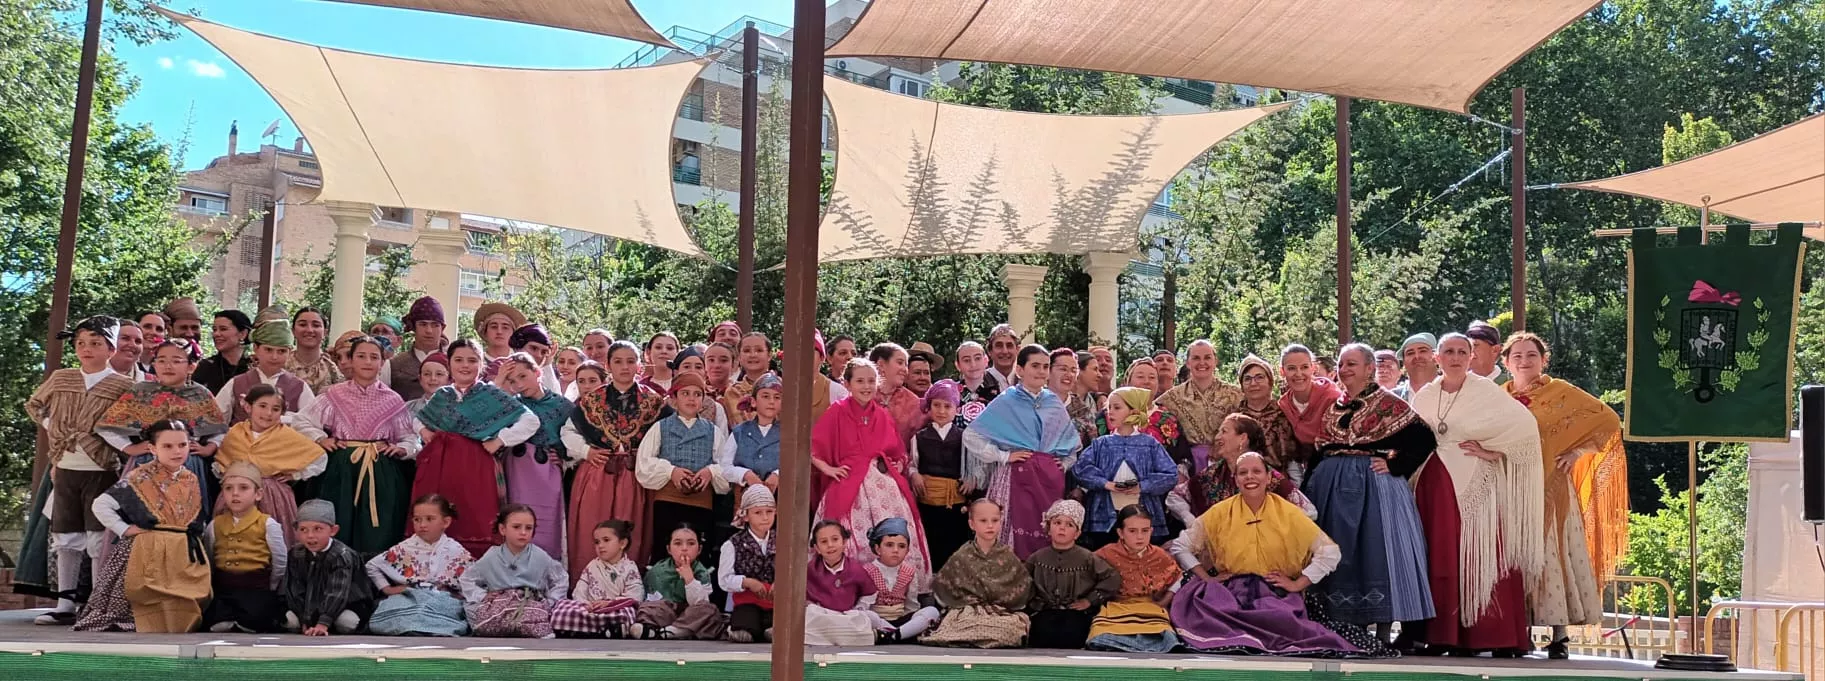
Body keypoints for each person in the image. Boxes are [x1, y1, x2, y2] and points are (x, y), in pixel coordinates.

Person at [1410, 333, 1543, 657]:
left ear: (1471, 357)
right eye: (1448, 352)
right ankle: (1443, 636)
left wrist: (1493, 451)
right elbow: (1412, 438)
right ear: (1437, 359)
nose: (1455, 357)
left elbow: (1524, 427)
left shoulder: (1485, 392)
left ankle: (1494, 637)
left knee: (1484, 556)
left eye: (1462, 352)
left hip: (1477, 486)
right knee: (1440, 560)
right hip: (1434, 486)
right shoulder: (1424, 396)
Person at [1170, 453, 1370, 656]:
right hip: (1230, 591)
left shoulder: (1289, 513)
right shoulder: (1219, 512)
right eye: (1243, 473)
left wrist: (1297, 584)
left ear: (1268, 478)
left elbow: (1330, 552)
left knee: (1279, 621)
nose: (1250, 477)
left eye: (1256, 471)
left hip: (1275, 592)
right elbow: (1181, 546)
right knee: (1208, 618)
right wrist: (1207, 578)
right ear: (1235, 479)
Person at [1502, 331, 1626, 659]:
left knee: (1553, 557)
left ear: (1544, 360)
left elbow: (1608, 419)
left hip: (1552, 490)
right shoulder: (1498, 397)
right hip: (1512, 492)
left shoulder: (1561, 394)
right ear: (1506, 362)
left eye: (1531, 355)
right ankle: (1520, 632)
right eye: (1517, 356)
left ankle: (1559, 636)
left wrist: (1577, 452)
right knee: (1516, 558)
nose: (1524, 361)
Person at [1307, 343, 1436, 638]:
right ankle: (1344, 623)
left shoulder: (1389, 403)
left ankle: (1382, 625)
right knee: (1339, 550)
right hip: (1331, 490)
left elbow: (1424, 439)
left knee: (1376, 548)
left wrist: (1394, 465)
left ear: (1369, 369)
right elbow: (1321, 449)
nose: (1344, 370)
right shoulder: (1334, 407)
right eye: (1341, 364)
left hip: (1373, 488)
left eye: (1352, 364)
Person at [25, 316, 135, 624]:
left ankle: (98, 601)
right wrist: (54, 426)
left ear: (111, 348)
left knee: (97, 535)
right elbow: (35, 405)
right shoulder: (62, 378)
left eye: (96, 343)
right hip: (65, 464)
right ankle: (65, 603)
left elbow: (130, 421)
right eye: (81, 343)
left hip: (101, 466)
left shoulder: (123, 385)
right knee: (65, 533)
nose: (87, 349)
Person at [73, 419, 211, 632]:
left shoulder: (190, 477)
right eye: (168, 446)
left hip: (181, 549)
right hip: (148, 547)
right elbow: (101, 504)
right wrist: (124, 529)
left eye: (182, 445)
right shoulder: (139, 476)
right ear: (152, 448)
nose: (177, 451)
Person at [296, 336, 421, 558]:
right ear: (351, 360)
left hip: (381, 473)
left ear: (382, 363)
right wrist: (320, 438)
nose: (367, 362)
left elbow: (409, 436)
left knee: (378, 527)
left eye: (374, 357)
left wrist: (402, 448)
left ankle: (374, 579)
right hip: (341, 471)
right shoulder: (334, 394)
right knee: (341, 521)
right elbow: (301, 421)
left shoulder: (393, 399)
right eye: (361, 356)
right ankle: (337, 575)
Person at [413, 339, 538, 557]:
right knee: (438, 515)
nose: (465, 365)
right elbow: (418, 418)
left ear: (481, 364)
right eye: (458, 360)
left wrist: (500, 439)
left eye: (472, 360)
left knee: (475, 518)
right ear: (449, 364)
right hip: (440, 469)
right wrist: (424, 431)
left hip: (477, 468)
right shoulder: (443, 396)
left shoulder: (491, 395)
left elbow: (530, 421)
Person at [813, 359, 931, 579]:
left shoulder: (882, 414)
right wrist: (828, 469)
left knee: (893, 531)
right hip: (848, 484)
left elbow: (898, 451)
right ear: (847, 384)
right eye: (859, 381)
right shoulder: (836, 412)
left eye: (871, 381)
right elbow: (814, 447)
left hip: (883, 484)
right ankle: (847, 585)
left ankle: (898, 587)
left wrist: (898, 463)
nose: (866, 386)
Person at [965, 345, 1082, 559]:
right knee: (1013, 534)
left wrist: (1063, 465)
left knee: (1045, 531)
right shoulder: (1007, 400)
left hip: (1048, 480)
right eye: (1035, 366)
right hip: (1014, 477)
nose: (1041, 372)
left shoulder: (1052, 402)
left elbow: (1072, 446)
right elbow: (971, 436)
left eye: (1045, 367)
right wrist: (1004, 456)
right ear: (1020, 370)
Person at [95, 338, 230, 519]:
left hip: (188, 463)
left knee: (185, 515)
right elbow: (106, 427)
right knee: (145, 514)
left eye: (176, 361)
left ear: (191, 366)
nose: (168, 366)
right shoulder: (141, 391)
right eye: (161, 360)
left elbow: (220, 429)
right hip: (146, 462)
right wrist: (129, 448)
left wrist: (209, 448)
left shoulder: (201, 394)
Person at [565, 340, 668, 574]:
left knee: (630, 529)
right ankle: (587, 586)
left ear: (639, 365)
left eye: (630, 361)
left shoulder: (654, 402)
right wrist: (586, 451)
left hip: (634, 475)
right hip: (597, 472)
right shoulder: (590, 400)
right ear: (608, 365)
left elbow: (665, 437)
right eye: (618, 361)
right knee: (592, 525)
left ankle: (626, 587)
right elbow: (568, 432)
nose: (624, 367)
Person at [635, 371, 730, 559]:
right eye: (685, 393)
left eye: (697, 394)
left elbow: (726, 465)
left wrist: (710, 472)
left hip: (702, 504)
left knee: (698, 553)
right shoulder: (660, 427)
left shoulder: (714, 431)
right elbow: (644, 463)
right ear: (674, 399)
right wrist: (671, 471)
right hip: (668, 502)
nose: (691, 399)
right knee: (666, 550)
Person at [218, 385, 327, 547]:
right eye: (262, 406)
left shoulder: (286, 435)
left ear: (282, 413)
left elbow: (319, 457)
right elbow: (222, 460)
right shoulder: (235, 433)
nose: (268, 413)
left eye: (275, 409)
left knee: (271, 540)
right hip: (236, 492)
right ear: (248, 406)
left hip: (273, 496)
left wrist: (295, 475)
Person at [1071, 387, 1178, 548]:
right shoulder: (1101, 443)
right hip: (1105, 517)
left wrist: (1142, 487)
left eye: (1117, 407)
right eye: (1109, 408)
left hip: (1141, 514)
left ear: (1133, 411)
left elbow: (1170, 474)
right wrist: (1106, 484)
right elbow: (1080, 469)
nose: (1110, 412)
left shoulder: (1149, 444)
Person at [920, 499, 1032, 648]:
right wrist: (965, 601)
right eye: (983, 521)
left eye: (995, 520)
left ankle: (976, 638)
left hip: (999, 612)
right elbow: (944, 585)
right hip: (967, 611)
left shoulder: (1007, 556)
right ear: (972, 524)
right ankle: (981, 638)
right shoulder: (962, 555)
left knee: (1011, 629)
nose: (990, 525)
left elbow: (1022, 585)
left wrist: (1001, 600)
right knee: (958, 625)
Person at [366, 494, 475, 637]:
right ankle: (414, 628)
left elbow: (472, 578)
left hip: (443, 598)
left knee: (442, 608)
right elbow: (372, 566)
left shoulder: (455, 550)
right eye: (417, 520)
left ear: (446, 522)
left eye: (429, 519)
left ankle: (432, 629)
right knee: (403, 609)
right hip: (410, 595)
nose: (422, 525)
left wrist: (459, 595)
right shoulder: (405, 548)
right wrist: (387, 589)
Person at [498, 353, 573, 558]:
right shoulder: (511, 405)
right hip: (517, 468)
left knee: (547, 521)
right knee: (516, 516)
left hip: (547, 471)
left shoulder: (562, 406)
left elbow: (575, 437)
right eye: (512, 381)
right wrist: (499, 382)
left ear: (537, 372)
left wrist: (565, 457)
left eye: (523, 376)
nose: (519, 384)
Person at [1150, 340, 1243, 503]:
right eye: (1196, 358)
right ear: (1188, 362)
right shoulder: (1170, 398)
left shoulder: (1236, 394)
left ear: (1215, 361)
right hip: (1189, 463)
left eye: (1207, 357)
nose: (1202, 363)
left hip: (1226, 461)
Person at [201, 462, 287, 633]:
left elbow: (279, 561)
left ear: (258, 494)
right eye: (228, 488)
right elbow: (209, 557)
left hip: (255, 588)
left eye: (243, 488)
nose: (235, 494)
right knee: (213, 618)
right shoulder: (215, 524)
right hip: (224, 588)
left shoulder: (267, 524)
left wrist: (271, 586)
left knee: (257, 616)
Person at [460, 504, 568, 638]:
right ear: (502, 529)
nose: (523, 532)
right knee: (471, 611)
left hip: (529, 602)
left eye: (528, 528)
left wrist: (551, 601)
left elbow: (561, 579)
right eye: (516, 527)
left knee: (538, 616)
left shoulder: (540, 556)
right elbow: (466, 579)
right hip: (497, 604)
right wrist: (481, 596)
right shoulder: (492, 556)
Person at [1024, 500, 1119, 649]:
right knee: (1041, 634)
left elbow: (1111, 578)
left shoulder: (1088, 558)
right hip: (1045, 613)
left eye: (1069, 525)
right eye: (1057, 523)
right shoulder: (1037, 558)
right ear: (1049, 528)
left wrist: (1089, 600)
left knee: (1072, 633)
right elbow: (1024, 583)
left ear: (1077, 533)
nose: (1062, 528)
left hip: (1076, 615)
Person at [1087, 505, 1181, 653]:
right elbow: (1086, 573)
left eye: (1145, 531)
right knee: (1100, 636)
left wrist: (1165, 600)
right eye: (1132, 531)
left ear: (1151, 531)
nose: (1139, 537)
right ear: (1120, 532)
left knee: (1166, 637)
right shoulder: (1106, 554)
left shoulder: (1160, 555)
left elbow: (1178, 577)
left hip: (1150, 607)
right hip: (1116, 608)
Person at [283, 499, 376, 635]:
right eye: (303, 530)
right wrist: (304, 620)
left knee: (347, 623)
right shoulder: (296, 553)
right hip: (310, 606)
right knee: (290, 621)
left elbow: (337, 592)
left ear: (333, 530)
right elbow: (295, 589)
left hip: (345, 604)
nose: (310, 536)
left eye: (318, 529)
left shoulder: (341, 555)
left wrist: (323, 623)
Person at [908, 380, 971, 566]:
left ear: (956, 409)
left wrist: (970, 479)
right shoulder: (919, 437)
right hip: (928, 498)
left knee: (955, 542)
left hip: (956, 499)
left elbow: (971, 465)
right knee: (930, 540)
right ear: (929, 407)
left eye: (947, 406)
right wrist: (914, 474)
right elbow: (912, 463)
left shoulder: (964, 436)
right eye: (936, 405)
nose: (942, 411)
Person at [552, 519, 645, 639]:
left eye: (606, 540)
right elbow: (580, 589)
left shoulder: (630, 568)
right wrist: (586, 604)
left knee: (627, 613)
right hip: (590, 609)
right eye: (597, 542)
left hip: (614, 609)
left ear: (622, 543)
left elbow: (635, 596)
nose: (600, 546)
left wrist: (610, 603)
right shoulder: (592, 566)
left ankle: (602, 630)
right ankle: (600, 630)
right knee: (562, 607)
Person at [215, 316, 316, 424]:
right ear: (255, 348)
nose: (274, 357)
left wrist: (285, 419)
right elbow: (216, 420)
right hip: (243, 439)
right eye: (268, 350)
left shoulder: (299, 387)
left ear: (290, 352)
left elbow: (311, 422)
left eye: (281, 351)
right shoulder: (236, 383)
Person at [635, 524, 727, 640]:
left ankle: (671, 631)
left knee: (709, 610)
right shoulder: (656, 571)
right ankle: (673, 631)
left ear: (699, 549)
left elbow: (700, 603)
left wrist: (689, 579)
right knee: (648, 608)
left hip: (691, 616)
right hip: (665, 613)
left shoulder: (703, 572)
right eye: (678, 543)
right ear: (669, 549)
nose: (684, 548)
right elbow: (650, 599)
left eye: (691, 543)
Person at [717, 485, 778, 643]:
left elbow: (795, 572)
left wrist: (780, 584)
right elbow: (724, 580)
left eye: (769, 512)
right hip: (747, 601)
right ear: (745, 516)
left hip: (776, 602)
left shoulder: (783, 540)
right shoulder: (733, 544)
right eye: (758, 512)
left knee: (779, 629)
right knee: (744, 633)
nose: (765, 517)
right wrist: (747, 582)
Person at [865, 518, 940, 643]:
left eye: (901, 546)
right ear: (878, 549)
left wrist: (911, 621)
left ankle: (895, 635)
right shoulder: (868, 571)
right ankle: (896, 634)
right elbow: (865, 604)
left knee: (932, 611)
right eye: (889, 545)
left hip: (901, 619)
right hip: (878, 619)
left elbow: (911, 605)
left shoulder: (909, 572)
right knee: (865, 615)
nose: (895, 550)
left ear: (907, 551)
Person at [805, 520, 880, 646]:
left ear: (844, 542)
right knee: (810, 614)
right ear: (817, 548)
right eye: (824, 542)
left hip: (848, 615)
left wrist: (858, 609)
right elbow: (802, 595)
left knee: (869, 617)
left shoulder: (855, 568)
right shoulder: (811, 569)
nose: (830, 545)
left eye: (835, 539)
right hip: (822, 614)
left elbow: (870, 593)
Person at [1277, 345, 1343, 486]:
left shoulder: (1332, 398)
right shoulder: (1284, 405)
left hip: (1338, 468)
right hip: (1307, 469)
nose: (1299, 374)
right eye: (1291, 368)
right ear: (1282, 372)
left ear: (1313, 368)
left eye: (1304, 367)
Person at [1226, 354, 1295, 475]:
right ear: (1241, 386)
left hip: (1279, 480)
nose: (1253, 383)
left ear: (1270, 382)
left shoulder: (1285, 414)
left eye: (1259, 377)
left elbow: (1293, 461)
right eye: (1247, 379)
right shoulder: (1234, 419)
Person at [718, 374, 782, 500]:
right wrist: (746, 474)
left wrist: (778, 475)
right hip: (744, 498)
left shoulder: (788, 435)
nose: (771, 402)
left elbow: (797, 465)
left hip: (780, 499)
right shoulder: (740, 432)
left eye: (777, 397)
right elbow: (724, 467)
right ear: (753, 401)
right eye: (765, 396)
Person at [387, 296, 447, 401]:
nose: (429, 330)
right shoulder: (394, 365)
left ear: (442, 328)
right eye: (423, 324)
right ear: (414, 327)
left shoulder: (453, 362)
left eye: (435, 325)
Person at [870, 343, 927, 441]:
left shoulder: (913, 402)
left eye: (906, 365)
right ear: (881, 364)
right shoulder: (862, 396)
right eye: (900, 363)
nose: (905, 370)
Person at [193, 309, 253, 393]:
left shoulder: (254, 367)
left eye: (223, 329)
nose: (216, 334)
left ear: (243, 334)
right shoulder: (204, 367)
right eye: (214, 330)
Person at [286, 307, 344, 393]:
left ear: (325, 332)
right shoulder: (281, 364)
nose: (309, 330)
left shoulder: (334, 368)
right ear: (293, 331)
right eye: (302, 325)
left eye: (316, 325)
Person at [1049, 347, 1098, 447]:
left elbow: (1093, 448)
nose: (1069, 374)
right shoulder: (1034, 403)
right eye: (1063, 369)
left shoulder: (1083, 411)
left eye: (1073, 370)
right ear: (1048, 371)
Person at [723, 332, 773, 423]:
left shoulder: (783, 387)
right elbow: (742, 425)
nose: (753, 355)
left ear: (769, 355)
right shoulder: (733, 392)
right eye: (746, 351)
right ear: (739, 358)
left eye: (759, 350)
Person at [473, 302, 526, 380]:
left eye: (505, 327)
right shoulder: (475, 362)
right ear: (485, 331)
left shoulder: (522, 363)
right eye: (494, 327)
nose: (499, 331)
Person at [952, 341, 1001, 421]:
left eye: (977, 358)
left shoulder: (1001, 389)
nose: (973, 364)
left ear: (986, 360)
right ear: (958, 365)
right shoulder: (952, 393)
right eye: (966, 360)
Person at [1394, 333, 1439, 401]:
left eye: (1423, 351)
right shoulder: (1391, 399)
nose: (1417, 356)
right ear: (1404, 362)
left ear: (1436, 357)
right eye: (1410, 353)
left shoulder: (1454, 393)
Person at [404, 352, 450, 418]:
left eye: (439, 374)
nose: (433, 378)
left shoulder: (462, 408)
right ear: (420, 379)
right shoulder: (406, 408)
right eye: (427, 374)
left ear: (449, 379)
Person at [985, 324, 1020, 388]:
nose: (1005, 351)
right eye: (999, 346)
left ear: (1017, 350)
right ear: (989, 351)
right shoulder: (980, 382)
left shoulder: (1027, 381)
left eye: (1009, 346)